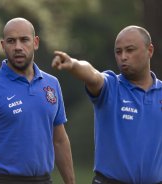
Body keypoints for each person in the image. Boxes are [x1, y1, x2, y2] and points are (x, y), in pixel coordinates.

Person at [0, 17, 75, 184]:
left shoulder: (52, 84)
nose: (18, 47)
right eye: (11, 41)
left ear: (35, 42)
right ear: (3, 45)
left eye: (24, 40)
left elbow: (60, 140)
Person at [51, 25, 162, 184]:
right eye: (118, 52)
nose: (123, 56)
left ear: (149, 50)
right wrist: (74, 64)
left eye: (130, 50)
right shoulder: (111, 86)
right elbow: (93, 75)